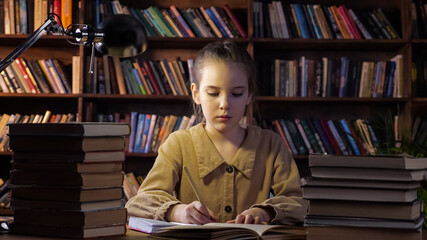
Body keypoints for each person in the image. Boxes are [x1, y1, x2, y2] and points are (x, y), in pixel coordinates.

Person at [125, 41, 307, 225]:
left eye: (236, 93)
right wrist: (176, 212)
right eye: (213, 93)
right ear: (196, 94)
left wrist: (265, 212)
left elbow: (298, 203)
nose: (225, 104)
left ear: (249, 94)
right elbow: (139, 204)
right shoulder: (179, 144)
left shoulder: (271, 145)